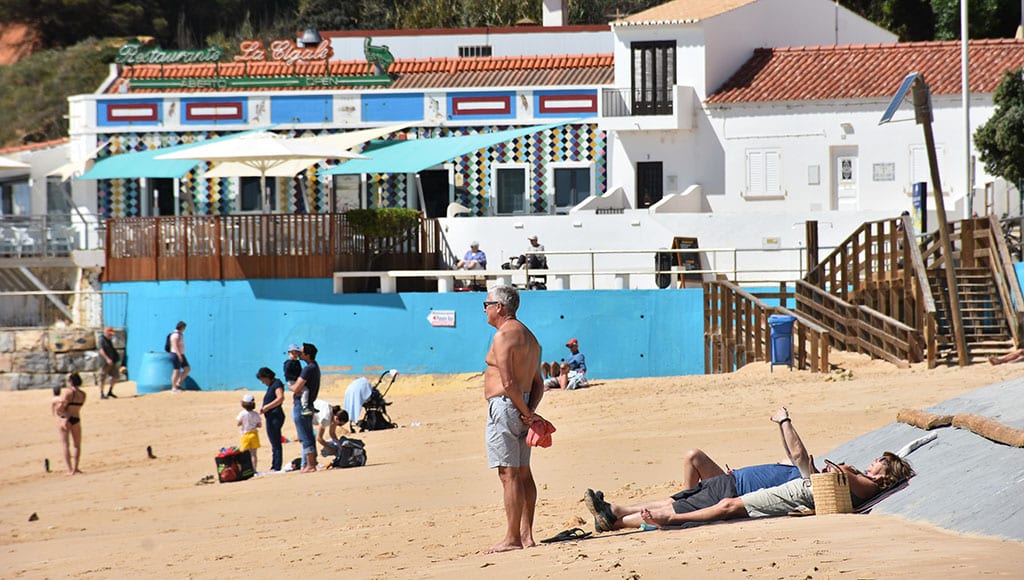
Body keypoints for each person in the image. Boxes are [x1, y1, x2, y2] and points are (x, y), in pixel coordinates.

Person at [594, 407, 914, 531]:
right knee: (685, 488)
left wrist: (786, 420)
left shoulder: (861, 485)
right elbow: (799, 459)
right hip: (735, 482)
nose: (873, 461)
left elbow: (803, 461)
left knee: (681, 506)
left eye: (879, 461)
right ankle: (618, 512)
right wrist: (783, 427)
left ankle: (620, 519)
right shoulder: (843, 479)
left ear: (886, 474)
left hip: (741, 491)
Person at [583, 448, 802, 532]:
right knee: (692, 456)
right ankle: (616, 511)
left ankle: (614, 519)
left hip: (734, 492)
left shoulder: (811, 480)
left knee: (673, 506)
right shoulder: (800, 468)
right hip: (728, 481)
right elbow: (792, 454)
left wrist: (784, 420)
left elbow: (798, 453)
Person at [481, 285, 546, 553]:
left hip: (507, 406)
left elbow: (507, 382)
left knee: (508, 474)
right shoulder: (530, 337)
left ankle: (512, 538)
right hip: (522, 405)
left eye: (486, 304)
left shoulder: (503, 336)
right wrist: (529, 410)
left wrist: (525, 411)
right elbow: (538, 383)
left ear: (500, 307)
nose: (484, 309)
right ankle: (526, 534)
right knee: (522, 472)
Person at [290, 342, 321, 473]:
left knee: (305, 435)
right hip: (308, 405)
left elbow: (297, 388)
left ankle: (310, 464)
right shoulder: (314, 367)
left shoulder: (309, 369)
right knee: (308, 434)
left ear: (307, 355)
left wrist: (290, 386)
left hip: (303, 406)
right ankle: (311, 463)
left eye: (302, 352)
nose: (299, 354)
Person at [56, 372, 86, 475]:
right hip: (76, 418)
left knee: (65, 445)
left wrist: (60, 413)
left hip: (65, 419)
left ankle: (69, 469)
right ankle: (76, 468)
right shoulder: (82, 394)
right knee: (77, 445)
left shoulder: (68, 392)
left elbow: (61, 407)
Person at [256, 367, 286, 472]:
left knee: (276, 441)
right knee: (274, 441)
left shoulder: (277, 384)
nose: (263, 382)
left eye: (263, 380)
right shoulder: (271, 386)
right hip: (271, 416)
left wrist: (267, 407)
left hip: (275, 416)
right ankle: (275, 465)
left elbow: (280, 398)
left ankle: (276, 466)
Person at [283, 344, 313, 415]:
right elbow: (287, 374)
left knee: (303, 391)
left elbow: (300, 372)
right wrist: (296, 380)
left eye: (296, 352)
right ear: (288, 353)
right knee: (305, 390)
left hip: (296, 381)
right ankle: (305, 407)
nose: (295, 354)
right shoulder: (288, 363)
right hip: (292, 381)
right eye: (292, 352)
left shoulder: (297, 362)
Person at [237, 393, 262, 472]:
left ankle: (245, 469)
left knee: (244, 453)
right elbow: (259, 425)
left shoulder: (242, 414)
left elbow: (238, 423)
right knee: (253, 454)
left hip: (245, 434)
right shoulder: (255, 414)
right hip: (254, 434)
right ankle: (254, 469)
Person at [97, 326, 120, 399]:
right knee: (102, 378)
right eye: (110, 334)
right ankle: (101, 394)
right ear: (106, 332)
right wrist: (107, 359)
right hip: (104, 363)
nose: (111, 335)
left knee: (115, 376)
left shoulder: (109, 340)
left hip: (112, 362)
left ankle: (110, 391)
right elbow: (101, 350)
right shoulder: (101, 339)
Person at [167, 321, 190, 393]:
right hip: (176, 354)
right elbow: (175, 346)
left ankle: (178, 384)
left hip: (181, 354)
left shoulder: (180, 334)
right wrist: (179, 355)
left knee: (187, 369)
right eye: (184, 327)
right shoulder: (175, 335)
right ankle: (173, 388)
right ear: (182, 327)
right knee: (176, 371)